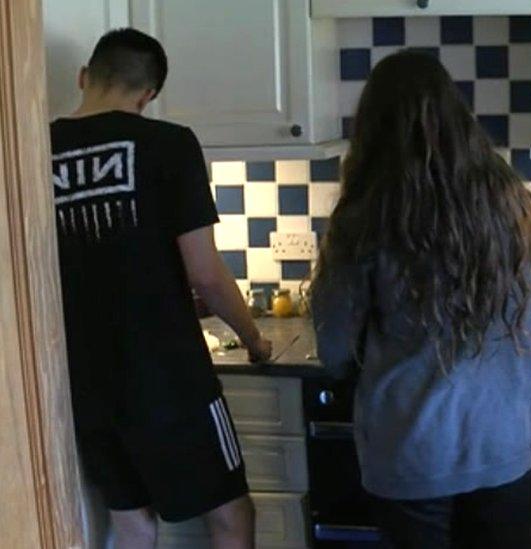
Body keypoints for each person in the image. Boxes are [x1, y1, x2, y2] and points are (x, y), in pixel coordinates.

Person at [310, 50, 531, 549]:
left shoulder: (365, 216)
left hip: (411, 452)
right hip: (503, 446)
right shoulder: (508, 200)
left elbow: (334, 346)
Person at [50, 28, 271, 549]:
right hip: (169, 379)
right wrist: (254, 339)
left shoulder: (35, 149)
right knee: (231, 515)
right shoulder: (168, 145)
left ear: (84, 77)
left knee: (132, 523)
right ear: (148, 95)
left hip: (83, 383)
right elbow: (205, 274)